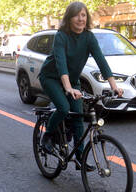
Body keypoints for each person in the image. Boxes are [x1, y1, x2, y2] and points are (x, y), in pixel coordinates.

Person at [38, 2, 123, 171]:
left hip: (73, 80)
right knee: (63, 107)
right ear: (69, 18)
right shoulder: (61, 36)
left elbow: (101, 61)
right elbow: (61, 63)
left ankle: (80, 160)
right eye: (77, 15)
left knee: (78, 117)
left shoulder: (88, 37)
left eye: (83, 15)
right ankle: (47, 136)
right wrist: (68, 88)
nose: (80, 19)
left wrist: (114, 86)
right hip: (51, 77)